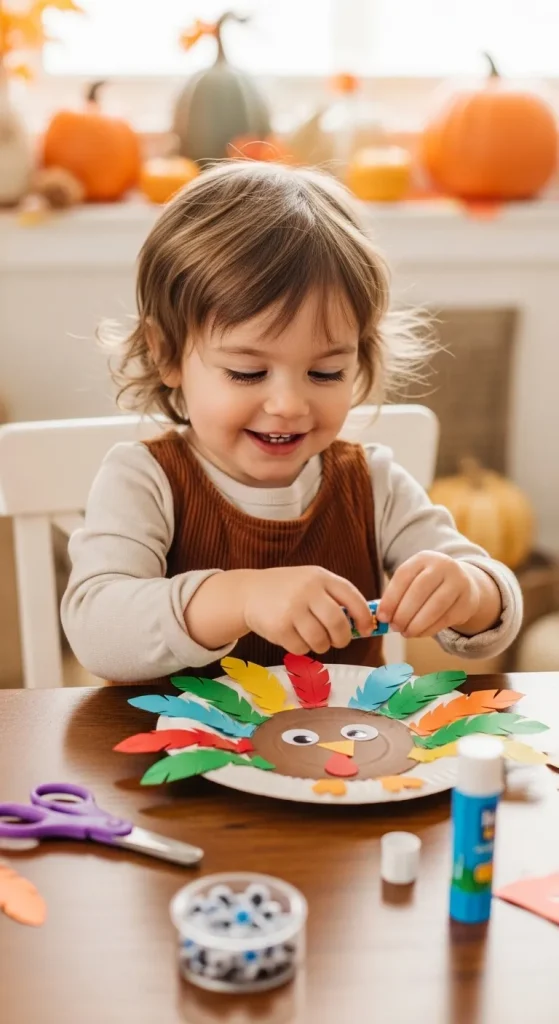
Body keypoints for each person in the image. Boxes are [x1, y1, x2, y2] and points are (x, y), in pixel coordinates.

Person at [61, 162, 522, 682]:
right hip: (182, 758)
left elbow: (496, 607)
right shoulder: (142, 480)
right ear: (167, 354)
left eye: (325, 372)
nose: (289, 404)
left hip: (344, 756)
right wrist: (241, 597)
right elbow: (95, 630)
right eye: (247, 371)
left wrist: (468, 590)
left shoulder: (374, 483)